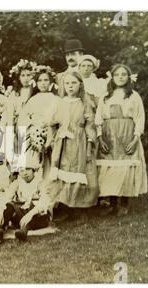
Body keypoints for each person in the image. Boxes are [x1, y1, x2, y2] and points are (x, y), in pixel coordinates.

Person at [95, 64, 148, 217]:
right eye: (117, 74)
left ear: (129, 77)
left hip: (126, 133)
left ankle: (124, 203)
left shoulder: (133, 96)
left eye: (123, 74)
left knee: (125, 167)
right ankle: (112, 204)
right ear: (112, 77)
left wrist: (135, 139)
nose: (120, 77)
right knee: (110, 168)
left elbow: (139, 118)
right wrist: (100, 137)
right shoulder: (105, 96)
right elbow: (98, 117)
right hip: (109, 135)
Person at [48, 72, 99, 218]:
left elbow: (90, 124)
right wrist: (53, 138)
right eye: (67, 83)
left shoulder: (84, 102)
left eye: (74, 83)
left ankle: (80, 207)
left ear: (80, 85)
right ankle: (65, 207)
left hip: (79, 141)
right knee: (63, 171)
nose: (70, 86)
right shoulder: (60, 102)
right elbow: (52, 122)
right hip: (63, 144)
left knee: (79, 170)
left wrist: (90, 142)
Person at [18, 65, 61, 179]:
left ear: (51, 82)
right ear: (36, 83)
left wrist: (51, 128)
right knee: (36, 161)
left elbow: (61, 117)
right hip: (34, 136)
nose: (43, 83)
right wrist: (32, 130)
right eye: (40, 80)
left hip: (52, 133)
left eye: (46, 80)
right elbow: (23, 119)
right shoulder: (32, 99)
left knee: (51, 161)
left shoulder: (56, 99)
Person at [0, 156, 52, 242]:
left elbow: (44, 202)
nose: (25, 173)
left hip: (37, 216)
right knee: (9, 205)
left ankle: (23, 231)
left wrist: (30, 214)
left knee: (36, 209)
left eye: (28, 169)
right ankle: (0, 229)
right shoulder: (17, 183)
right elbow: (6, 198)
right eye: (21, 170)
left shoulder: (40, 183)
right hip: (22, 214)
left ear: (33, 170)